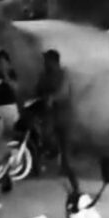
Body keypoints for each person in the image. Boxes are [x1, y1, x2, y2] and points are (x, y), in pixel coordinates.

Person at [34, 48, 76, 189]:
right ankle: (52, 162)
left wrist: (52, 98)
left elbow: (64, 92)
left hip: (64, 114)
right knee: (46, 136)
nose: (44, 63)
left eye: (47, 60)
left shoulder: (64, 74)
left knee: (65, 145)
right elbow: (37, 89)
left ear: (54, 61)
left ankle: (68, 177)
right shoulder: (43, 75)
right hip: (49, 115)